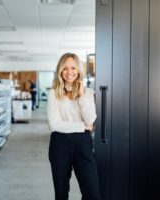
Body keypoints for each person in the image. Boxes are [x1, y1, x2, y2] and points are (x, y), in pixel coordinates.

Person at [47, 53, 101, 200]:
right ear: (60, 71)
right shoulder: (53, 94)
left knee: (93, 194)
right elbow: (54, 125)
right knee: (61, 194)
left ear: (79, 70)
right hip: (60, 144)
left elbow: (90, 119)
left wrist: (82, 94)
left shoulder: (88, 93)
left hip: (83, 145)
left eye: (73, 67)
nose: (69, 72)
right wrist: (83, 127)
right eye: (65, 68)